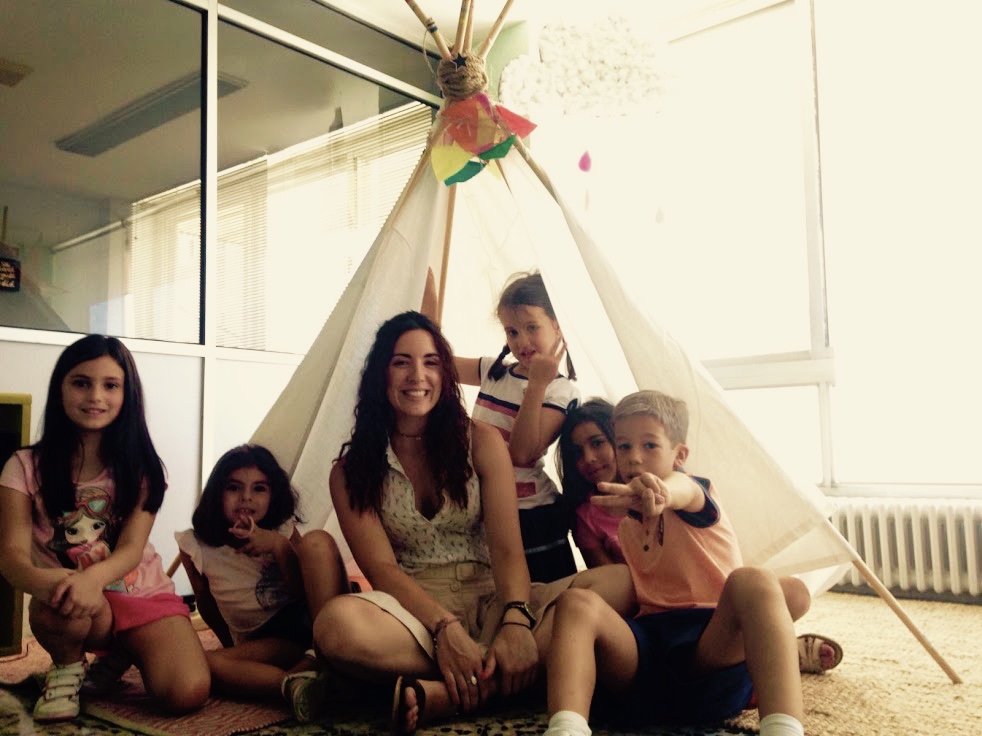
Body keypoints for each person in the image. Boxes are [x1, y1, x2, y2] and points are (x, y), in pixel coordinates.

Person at [310, 311, 633, 735]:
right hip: (414, 614)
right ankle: (503, 673)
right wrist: (444, 629)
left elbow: (507, 550)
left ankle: (455, 691)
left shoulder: (481, 440)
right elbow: (382, 570)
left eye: (430, 362)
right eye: (401, 362)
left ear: (445, 373)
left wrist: (515, 620)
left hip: (494, 597)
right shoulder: (349, 471)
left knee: (622, 583)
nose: (417, 376)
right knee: (334, 627)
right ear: (380, 374)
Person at [541, 390, 820, 736]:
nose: (635, 458)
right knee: (576, 603)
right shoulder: (627, 524)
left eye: (650, 445)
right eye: (624, 446)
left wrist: (663, 493)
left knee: (755, 580)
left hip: (709, 650)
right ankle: (566, 727)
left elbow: (681, 489)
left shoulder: (695, 493)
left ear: (680, 454)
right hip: (647, 658)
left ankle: (783, 727)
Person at [0, 334, 210, 722]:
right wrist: (46, 583)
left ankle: (123, 652)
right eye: (81, 382)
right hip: (72, 603)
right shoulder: (22, 466)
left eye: (110, 385)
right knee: (63, 597)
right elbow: (11, 556)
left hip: (142, 595)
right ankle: (67, 666)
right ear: (60, 388)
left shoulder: (144, 468)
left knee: (186, 692)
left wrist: (91, 579)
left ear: (127, 394)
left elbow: (131, 550)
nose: (95, 396)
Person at [175, 443, 350, 723]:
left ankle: (323, 658)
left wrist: (278, 546)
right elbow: (205, 603)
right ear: (217, 493)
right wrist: (231, 648)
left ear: (273, 495)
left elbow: (301, 589)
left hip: (311, 622)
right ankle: (294, 685)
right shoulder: (195, 545)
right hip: (269, 640)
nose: (246, 498)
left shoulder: (281, 529)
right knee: (206, 664)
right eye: (234, 487)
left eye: (259, 489)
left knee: (316, 543)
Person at [425, 270, 579, 583]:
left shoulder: (561, 391)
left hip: (530, 514)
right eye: (512, 331)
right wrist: (428, 296)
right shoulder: (493, 371)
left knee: (543, 596)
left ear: (557, 325)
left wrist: (537, 384)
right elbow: (435, 362)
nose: (522, 341)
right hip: (482, 503)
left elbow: (521, 453)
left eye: (531, 327)